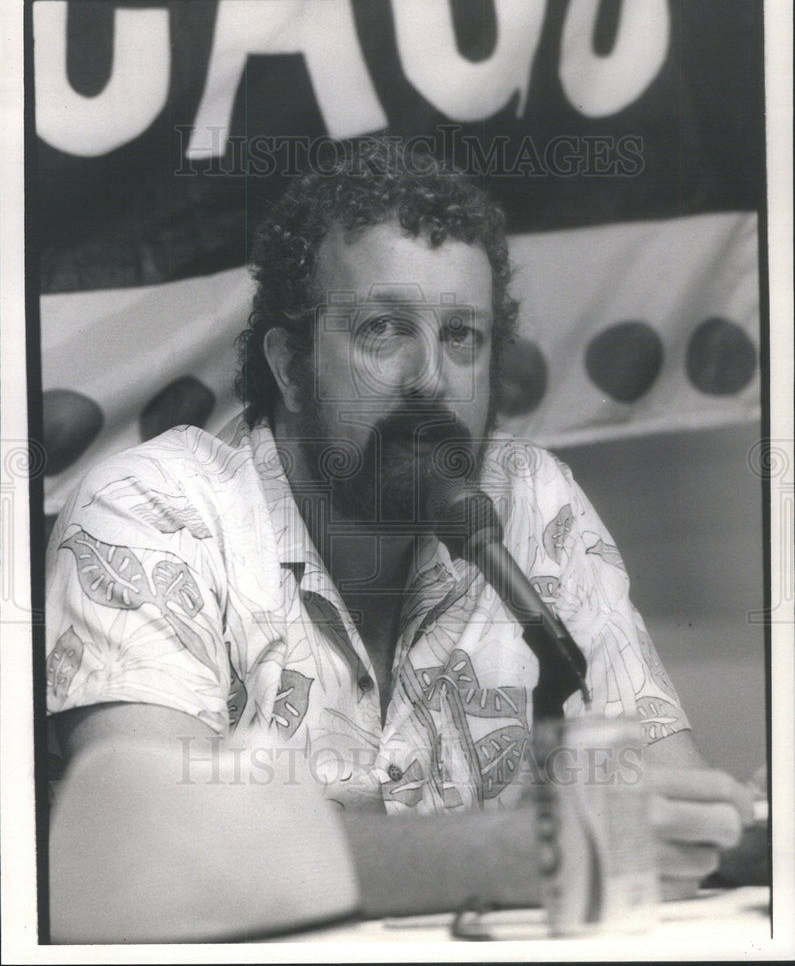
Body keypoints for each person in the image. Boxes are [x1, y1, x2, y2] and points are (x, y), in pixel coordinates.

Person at [45, 138, 752, 942]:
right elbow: (149, 862)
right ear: (288, 365)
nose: (430, 377)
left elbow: (665, 800)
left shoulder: (532, 503)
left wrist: (741, 835)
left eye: (463, 336)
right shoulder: (154, 508)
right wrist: (525, 849)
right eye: (384, 330)